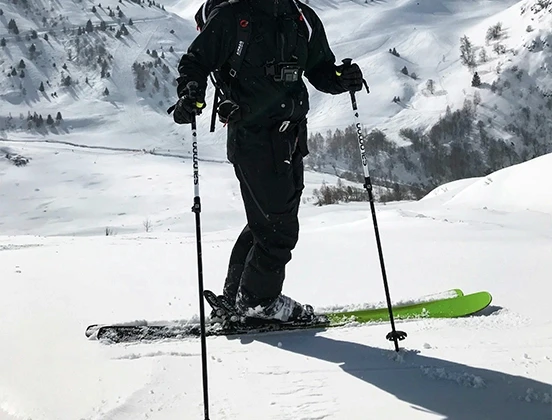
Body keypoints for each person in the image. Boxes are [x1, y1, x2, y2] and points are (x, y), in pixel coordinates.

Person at [171, 0, 365, 323]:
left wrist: (340, 78)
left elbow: (319, 68)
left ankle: (237, 298)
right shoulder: (235, 16)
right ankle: (260, 303)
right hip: (253, 139)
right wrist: (190, 90)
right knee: (278, 231)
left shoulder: (300, 17)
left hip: (292, 139)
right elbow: (195, 60)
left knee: (268, 223)